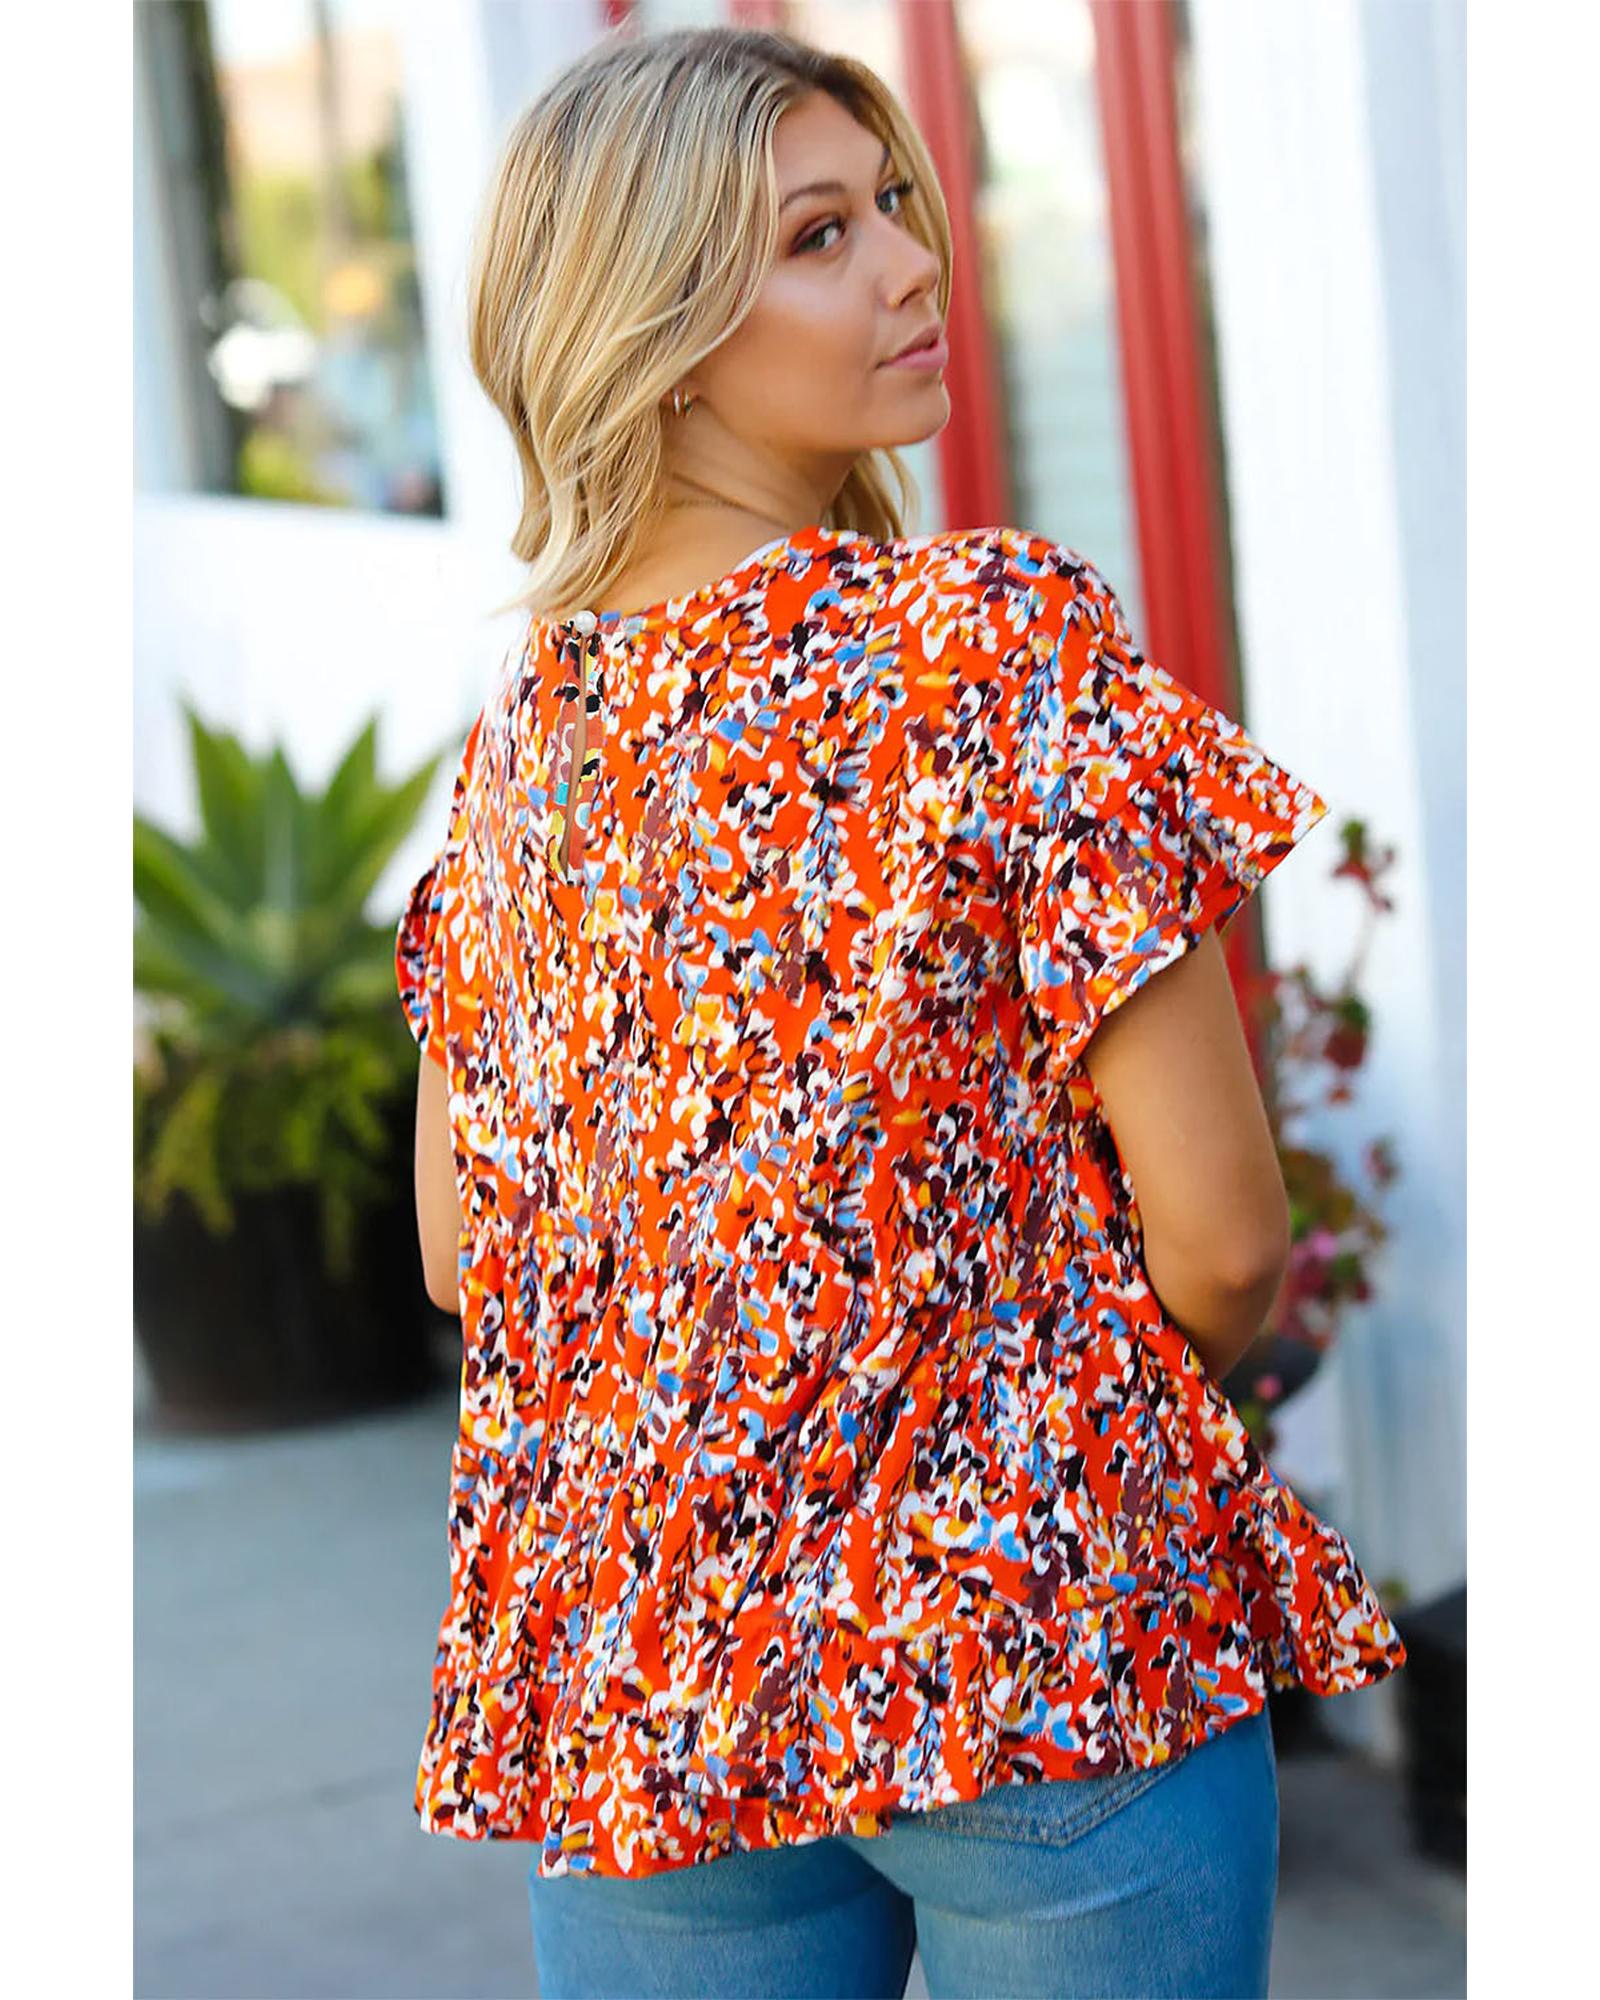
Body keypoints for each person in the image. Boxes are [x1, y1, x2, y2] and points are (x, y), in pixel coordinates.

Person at [393, 22, 1407, 2000]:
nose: (914, 264)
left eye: (891, 210)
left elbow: (460, 1255)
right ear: (658, 324)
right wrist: (1029, 1422)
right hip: (1036, 1642)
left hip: (660, 1688)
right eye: (819, 235)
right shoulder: (987, 645)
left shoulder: (528, 743)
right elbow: (1224, 1242)